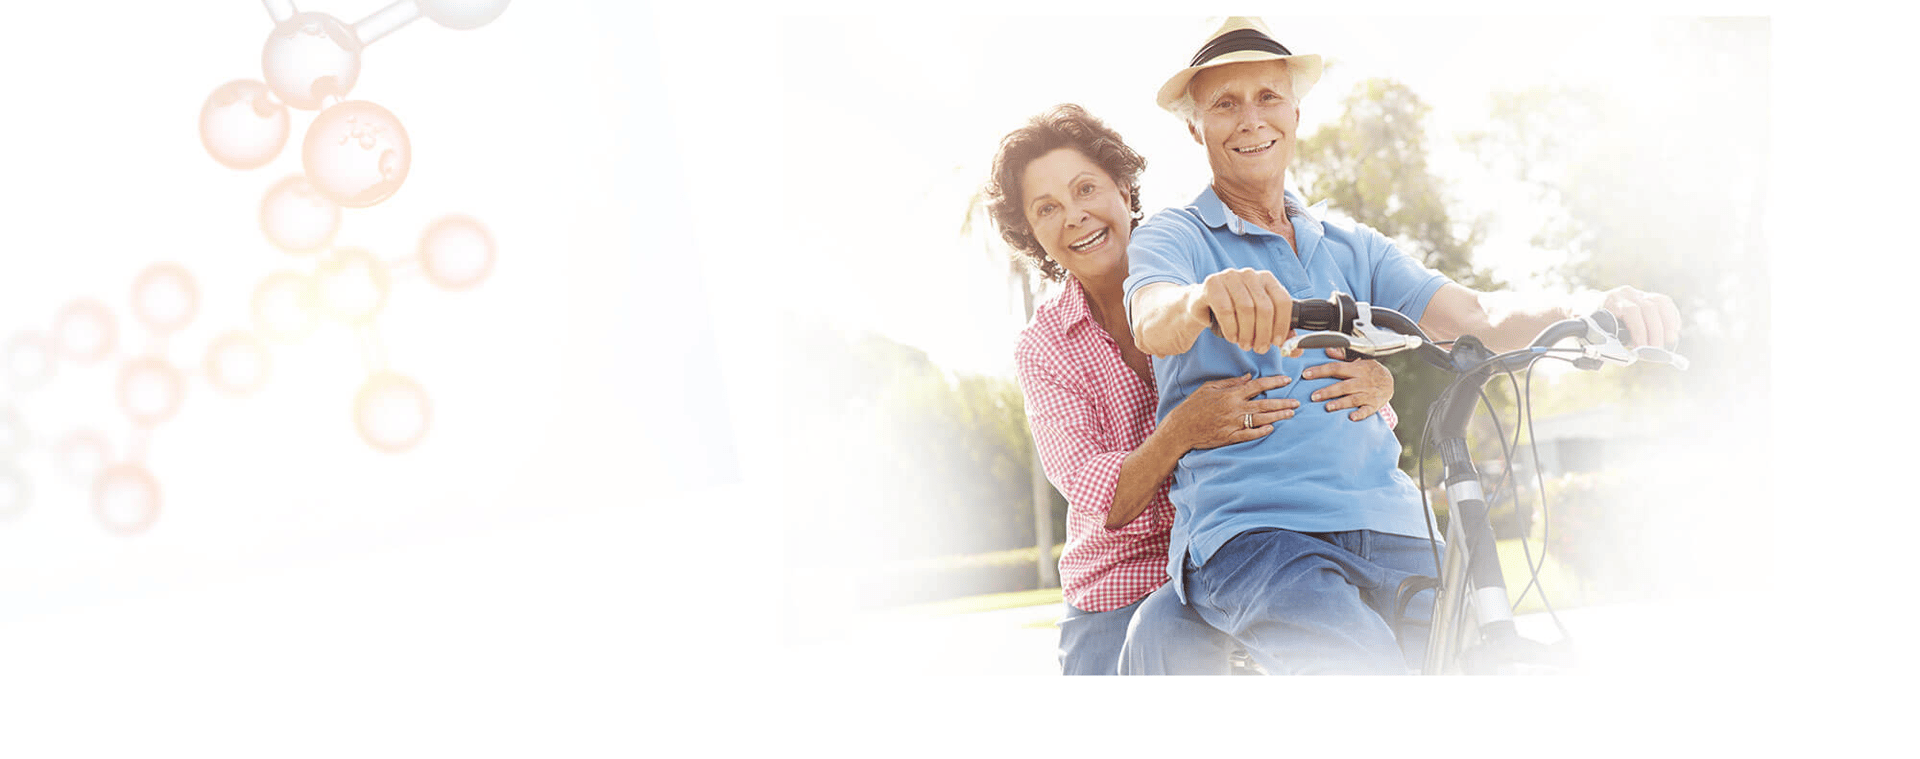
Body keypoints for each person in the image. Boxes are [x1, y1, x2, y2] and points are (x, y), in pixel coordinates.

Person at [1123, 17, 1684, 674]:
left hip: (1394, 522)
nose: (1251, 119)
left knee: (1478, 665)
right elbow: (1152, 313)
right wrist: (1202, 299)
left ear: (1296, 112)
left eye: (1268, 97)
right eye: (1225, 103)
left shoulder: (1351, 245)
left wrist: (1586, 306)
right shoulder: (1176, 235)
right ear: (1196, 127)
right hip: (1259, 532)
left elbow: (1474, 313)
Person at [985, 104, 1400, 675]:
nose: (1075, 216)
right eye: (1047, 209)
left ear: (1124, 187)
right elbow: (1102, 502)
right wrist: (1180, 431)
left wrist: (1379, 384)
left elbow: (1313, 400)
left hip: (1248, 550)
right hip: (1122, 580)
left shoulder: (1207, 272)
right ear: (1031, 233)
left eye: (1086, 189)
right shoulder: (1045, 347)